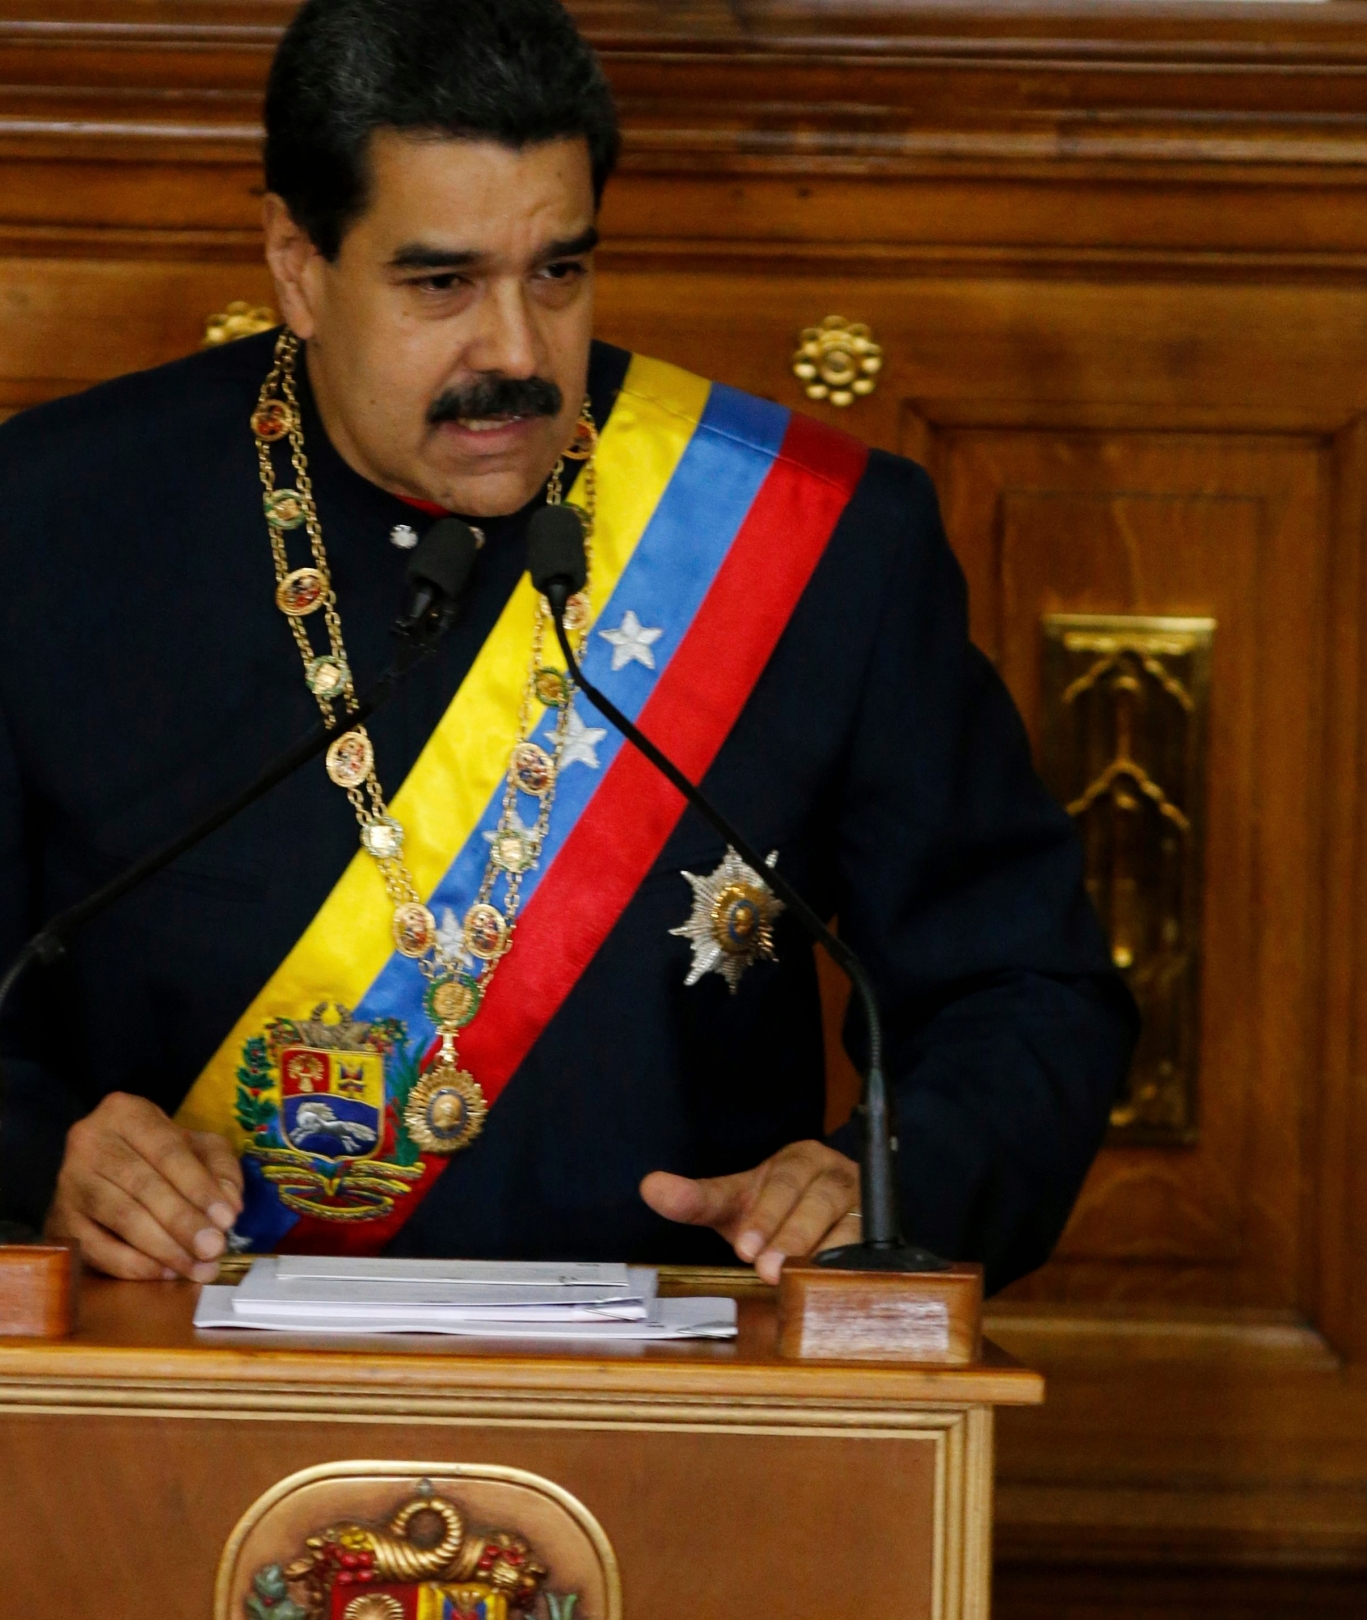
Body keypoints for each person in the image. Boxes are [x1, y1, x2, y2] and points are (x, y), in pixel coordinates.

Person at [0, 0, 1135, 1287]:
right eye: (442, 283)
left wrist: (879, 1181)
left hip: (682, 1411)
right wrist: (46, 1159)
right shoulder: (44, 528)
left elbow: (1024, 993)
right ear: (295, 261)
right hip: (164, 1402)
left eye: (559, 272)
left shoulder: (816, 543)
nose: (518, 352)